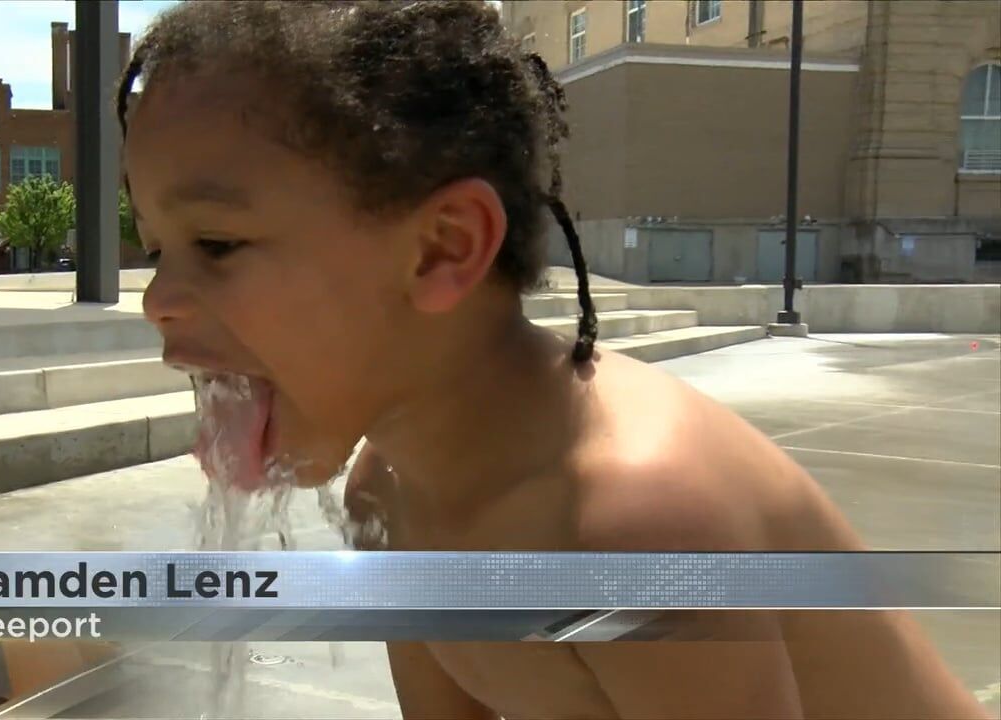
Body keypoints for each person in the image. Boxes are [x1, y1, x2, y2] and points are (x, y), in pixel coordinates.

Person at [117, 2, 989, 718]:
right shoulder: (386, 494)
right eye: (156, 249)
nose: (159, 299)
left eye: (218, 242)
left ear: (441, 249)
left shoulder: (633, 530)